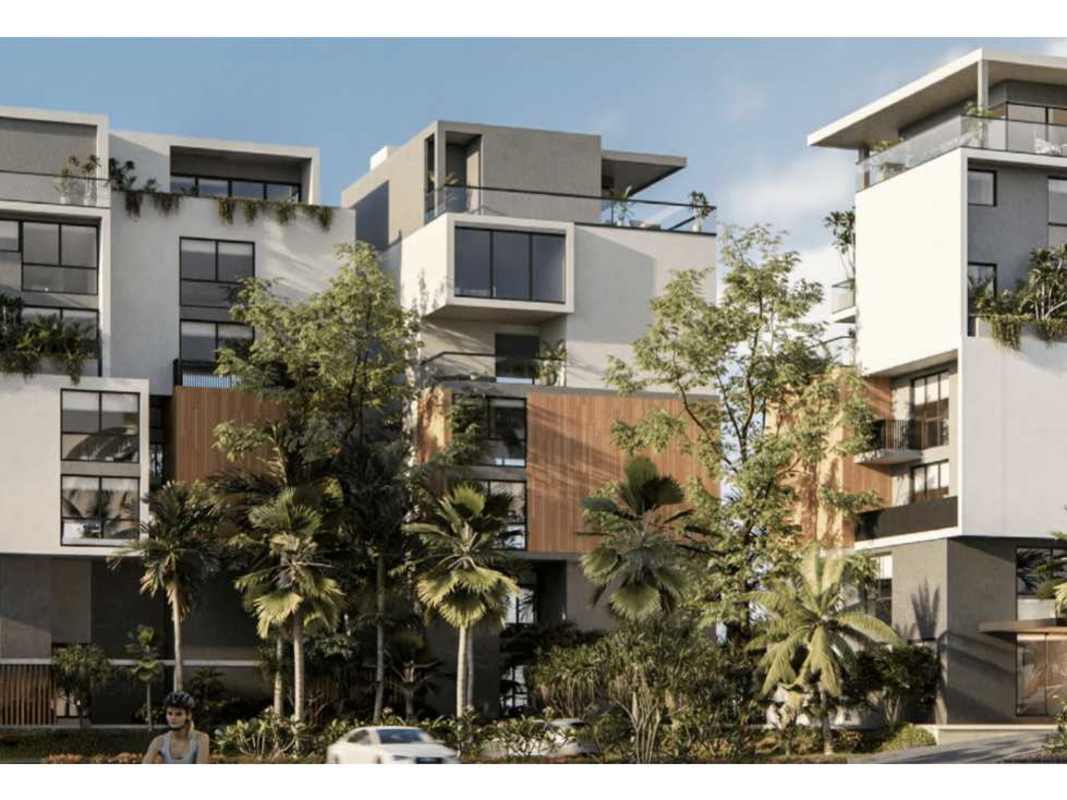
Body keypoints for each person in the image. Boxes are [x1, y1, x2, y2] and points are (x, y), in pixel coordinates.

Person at [143, 691, 211, 764]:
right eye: (170, 713)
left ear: (188, 715)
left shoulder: (201, 739)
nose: (173, 718)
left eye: (178, 714)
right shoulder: (159, 741)